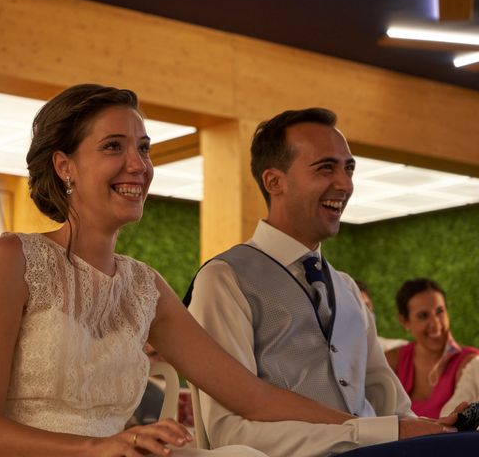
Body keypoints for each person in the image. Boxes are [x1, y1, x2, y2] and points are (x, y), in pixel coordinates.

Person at [0, 84, 364, 457]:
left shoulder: (144, 287)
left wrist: (374, 431)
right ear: (65, 166)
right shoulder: (13, 258)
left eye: (144, 149)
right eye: (114, 147)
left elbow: (253, 397)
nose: (139, 165)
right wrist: (100, 447)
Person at [186, 107, 477, 457]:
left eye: (348, 168)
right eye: (326, 167)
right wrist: (369, 438)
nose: (345, 184)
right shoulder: (224, 279)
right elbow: (227, 432)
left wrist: (433, 430)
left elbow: (390, 405)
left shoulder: (348, 289)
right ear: (274, 181)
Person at [385, 278, 479, 419]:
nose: (436, 324)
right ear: (405, 321)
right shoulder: (393, 360)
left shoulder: (468, 364)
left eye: (440, 311)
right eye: (423, 316)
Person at [354, 280, 407, 352]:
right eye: (358, 308)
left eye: (367, 305)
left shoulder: (398, 349)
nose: (365, 313)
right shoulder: (337, 358)